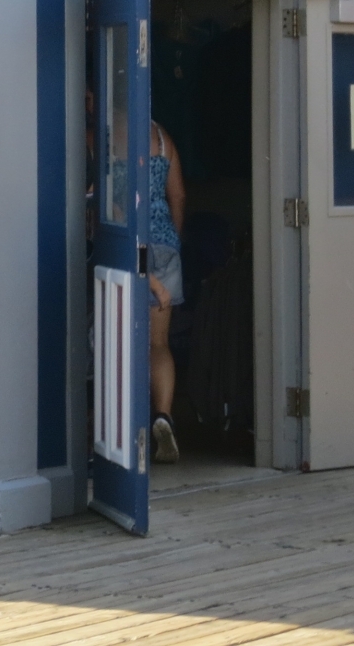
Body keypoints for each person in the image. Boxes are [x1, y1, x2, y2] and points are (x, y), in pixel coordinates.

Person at [147, 119, 188, 465]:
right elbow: (178, 196)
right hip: (164, 246)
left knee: (118, 343)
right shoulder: (163, 138)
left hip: (129, 247)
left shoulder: (104, 134)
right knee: (158, 343)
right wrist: (172, 238)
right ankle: (163, 414)